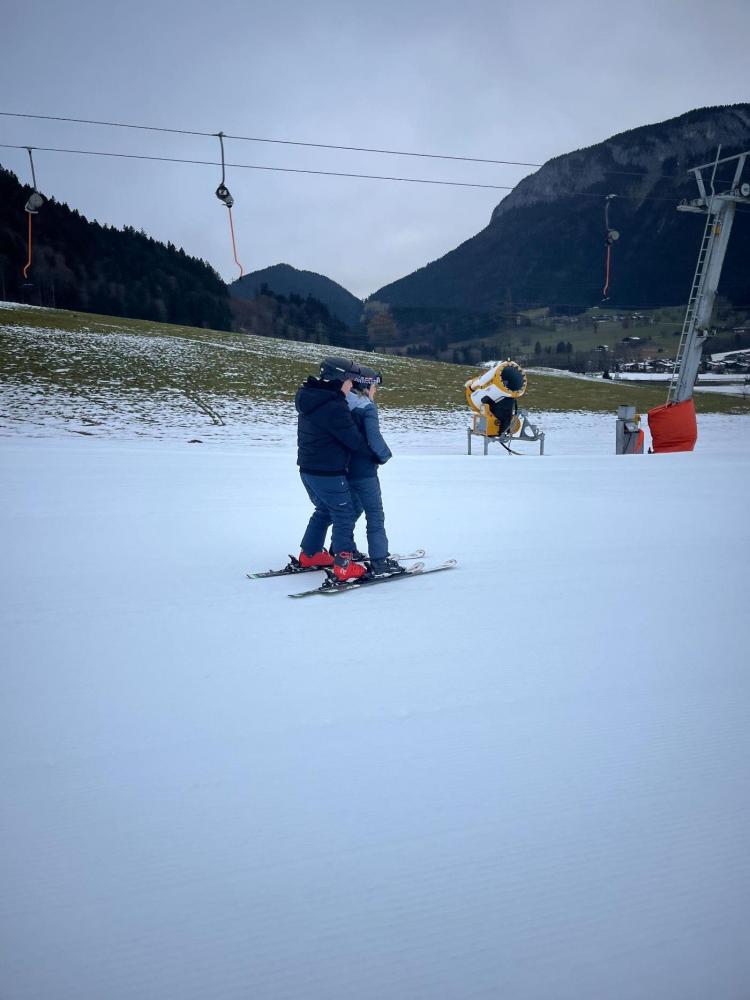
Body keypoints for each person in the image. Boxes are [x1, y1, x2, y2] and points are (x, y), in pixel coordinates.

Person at [295, 356, 367, 582]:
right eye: (350, 381)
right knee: (344, 514)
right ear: (339, 379)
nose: (352, 386)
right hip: (328, 473)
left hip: (307, 470)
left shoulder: (311, 396)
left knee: (325, 510)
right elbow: (354, 441)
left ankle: (310, 554)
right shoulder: (335, 406)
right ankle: (344, 565)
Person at [346, 366, 404, 577]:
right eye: (374, 386)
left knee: (351, 510)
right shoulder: (366, 407)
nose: (376, 390)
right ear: (366, 386)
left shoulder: (342, 402)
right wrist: (384, 455)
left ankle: (343, 550)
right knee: (375, 514)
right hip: (364, 470)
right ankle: (380, 561)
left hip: (344, 467)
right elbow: (374, 438)